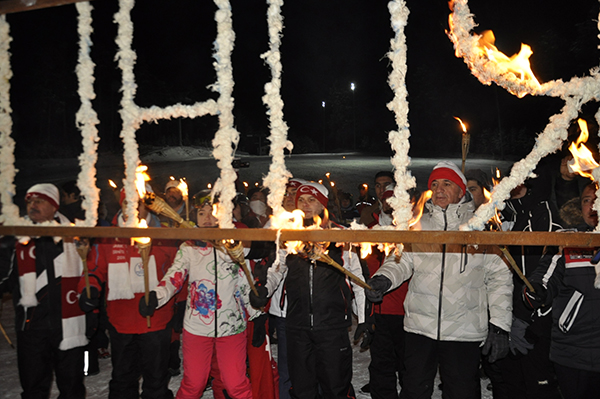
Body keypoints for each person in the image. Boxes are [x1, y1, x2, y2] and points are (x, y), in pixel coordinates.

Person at [367, 161, 513, 399]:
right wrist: (383, 278)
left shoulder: (481, 227)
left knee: (462, 393)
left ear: (460, 190)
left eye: (447, 183)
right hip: (419, 328)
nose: (439, 189)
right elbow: (401, 261)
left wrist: (500, 326)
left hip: (463, 331)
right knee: (414, 390)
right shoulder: (418, 225)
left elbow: (499, 280)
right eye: (434, 184)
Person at [140, 191, 262, 399]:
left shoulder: (233, 245)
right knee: (193, 385)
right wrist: (156, 296)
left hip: (230, 327)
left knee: (236, 386)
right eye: (201, 213)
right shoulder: (189, 247)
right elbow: (174, 278)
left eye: (212, 213)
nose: (207, 218)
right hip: (196, 327)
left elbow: (244, 283)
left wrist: (256, 314)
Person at [252, 181, 367, 399]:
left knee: (335, 387)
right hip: (297, 324)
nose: (305, 205)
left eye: (311, 200)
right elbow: (276, 269)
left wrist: (363, 318)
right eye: (301, 200)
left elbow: (358, 279)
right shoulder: (288, 235)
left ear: (323, 204)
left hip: (332, 326)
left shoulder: (341, 236)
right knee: (302, 388)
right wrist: (265, 290)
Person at [78, 208, 179, 398]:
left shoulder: (163, 233)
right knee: (123, 379)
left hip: (156, 320)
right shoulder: (109, 235)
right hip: (121, 322)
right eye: (126, 202)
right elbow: (93, 269)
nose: (132, 207)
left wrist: (180, 303)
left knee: (156, 379)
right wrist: (88, 289)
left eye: (137, 202)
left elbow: (178, 271)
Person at [522, 182, 600, 399]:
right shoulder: (567, 240)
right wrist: (536, 290)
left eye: (597, 198)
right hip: (573, 353)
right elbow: (545, 276)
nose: (593, 205)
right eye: (587, 200)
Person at [10, 183, 88, 398]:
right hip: (31, 324)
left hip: (68, 323)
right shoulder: (16, 236)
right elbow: (5, 275)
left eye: (39, 201)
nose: (33, 206)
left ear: (54, 206)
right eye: (29, 202)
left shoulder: (74, 234)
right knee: (33, 387)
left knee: (72, 386)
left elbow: (89, 272)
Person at [496, 165, 563, 399]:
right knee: (512, 384)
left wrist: (525, 318)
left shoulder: (544, 215)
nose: (514, 184)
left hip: (535, 320)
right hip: (512, 315)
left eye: (521, 180)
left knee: (539, 386)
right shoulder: (512, 214)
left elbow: (545, 271)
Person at [359, 184, 409, 399]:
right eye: (387, 204)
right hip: (379, 309)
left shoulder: (412, 233)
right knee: (381, 363)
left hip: (408, 310)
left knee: (409, 365)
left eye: (395, 205)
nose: (390, 209)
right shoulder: (370, 234)